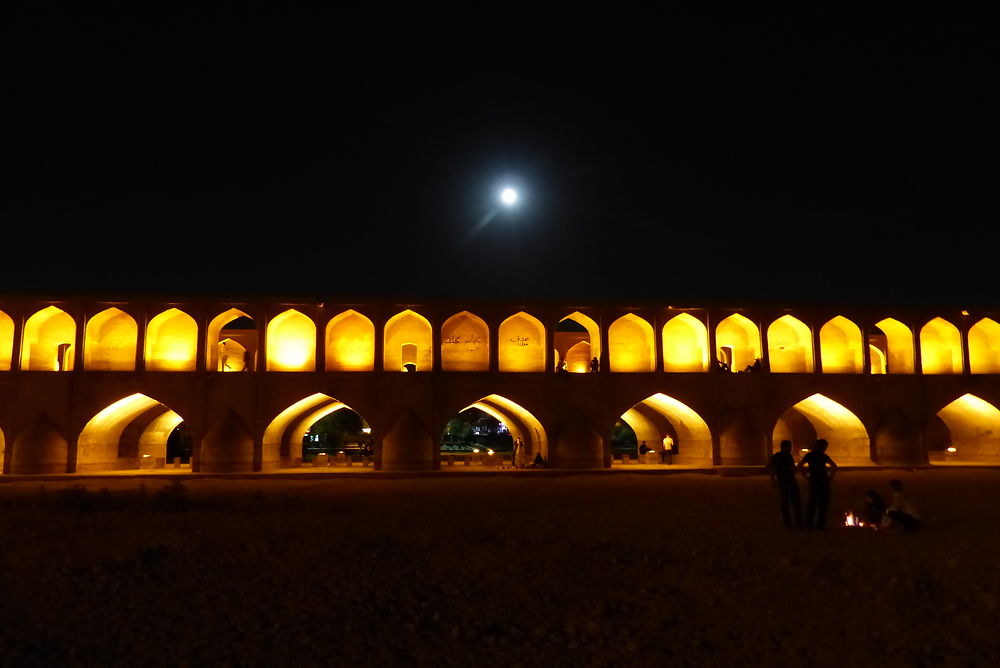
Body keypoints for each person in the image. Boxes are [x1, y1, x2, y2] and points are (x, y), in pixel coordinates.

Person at [798, 439, 838, 530]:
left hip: (813, 481)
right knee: (823, 504)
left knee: (812, 503)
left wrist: (806, 476)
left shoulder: (809, 455)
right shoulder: (823, 455)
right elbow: (834, 466)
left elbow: (800, 465)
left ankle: (809, 524)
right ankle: (821, 525)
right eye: (825, 447)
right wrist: (829, 478)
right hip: (823, 481)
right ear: (822, 446)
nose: (825, 449)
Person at [769, 440, 802, 529]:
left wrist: (773, 480)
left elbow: (772, 469)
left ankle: (787, 524)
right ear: (786, 447)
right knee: (795, 503)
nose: (791, 448)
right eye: (790, 446)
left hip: (781, 481)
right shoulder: (788, 456)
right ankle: (798, 523)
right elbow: (792, 468)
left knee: (785, 503)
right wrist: (798, 466)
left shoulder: (775, 456)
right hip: (790, 480)